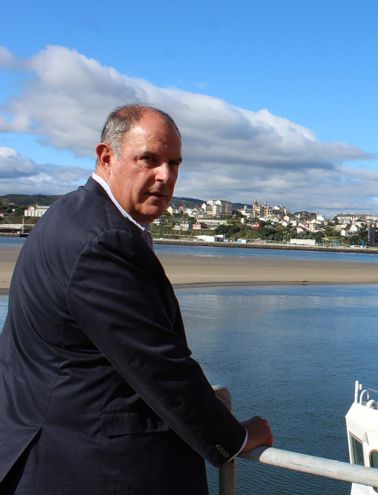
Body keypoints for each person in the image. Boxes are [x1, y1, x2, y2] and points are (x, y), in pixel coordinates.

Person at [0, 104, 273, 494]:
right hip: (88, 469)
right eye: (149, 159)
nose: (165, 176)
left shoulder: (68, 214)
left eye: (175, 163)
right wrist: (235, 439)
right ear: (106, 156)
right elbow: (159, 364)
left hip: (41, 451)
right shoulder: (103, 240)